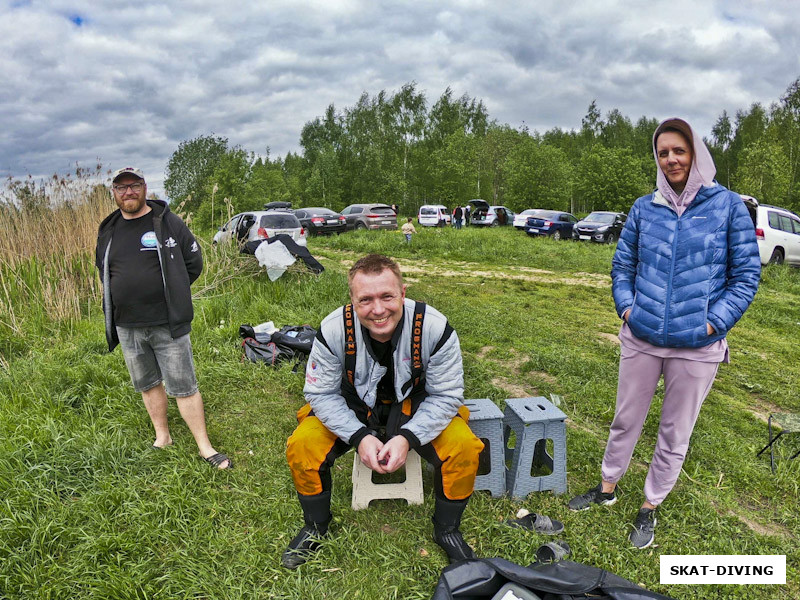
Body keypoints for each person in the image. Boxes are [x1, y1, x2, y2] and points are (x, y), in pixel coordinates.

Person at [283, 255, 561, 568]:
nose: (378, 310)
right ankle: (315, 526)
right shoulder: (333, 329)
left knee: (464, 447)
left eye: (387, 296)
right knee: (303, 444)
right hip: (353, 407)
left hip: (417, 407)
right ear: (352, 300)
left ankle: (447, 530)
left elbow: (446, 395)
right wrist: (359, 436)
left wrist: (407, 438)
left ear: (403, 292)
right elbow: (320, 393)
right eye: (366, 299)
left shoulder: (435, 327)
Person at [567, 119, 760, 548]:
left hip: (697, 346)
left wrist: (713, 323)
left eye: (679, 150)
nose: (671, 159)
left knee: (675, 430)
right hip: (643, 336)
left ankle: (649, 506)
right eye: (663, 153)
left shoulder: (726, 206)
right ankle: (607, 489)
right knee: (625, 418)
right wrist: (628, 308)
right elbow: (623, 266)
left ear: (696, 154)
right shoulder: (643, 208)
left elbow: (746, 275)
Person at [95, 167, 232, 470]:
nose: (128, 192)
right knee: (147, 383)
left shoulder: (168, 222)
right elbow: (103, 269)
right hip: (127, 324)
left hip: (167, 323)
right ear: (114, 193)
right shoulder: (109, 229)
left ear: (144, 188)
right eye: (121, 187)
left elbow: (193, 263)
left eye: (134, 186)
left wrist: (175, 291)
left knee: (184, 384)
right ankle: (163, 436)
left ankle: (205, 447)